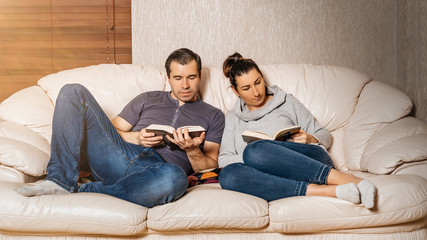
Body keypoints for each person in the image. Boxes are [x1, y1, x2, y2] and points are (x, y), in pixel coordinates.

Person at [17, 48, 225, 208]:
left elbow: (207, 167)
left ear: (199, 76)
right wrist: (137, 138)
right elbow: (107, 132)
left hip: (156, 172)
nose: (185, 85)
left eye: (191, 77)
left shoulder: (213, 114)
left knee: (176, 179)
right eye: (178, 78)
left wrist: (191, 150)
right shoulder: (147, 99)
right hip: (119, 156)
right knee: (73, 91)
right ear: (168, 78)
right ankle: (59, 181)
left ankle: (84, 189)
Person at [218, 53, 377, 209]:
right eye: (246, 88)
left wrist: (310, 138)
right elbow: (224, 160)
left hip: (309, 161)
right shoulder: (232, 117)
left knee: (255, 150)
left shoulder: (287, 101)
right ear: (235, 91)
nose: (256, 92)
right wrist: (262, 158)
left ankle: (350, 180)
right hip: (271, 177)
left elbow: (325, 136)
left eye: (258, 82)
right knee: (228, 175)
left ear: (262, 78)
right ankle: (328, 191)